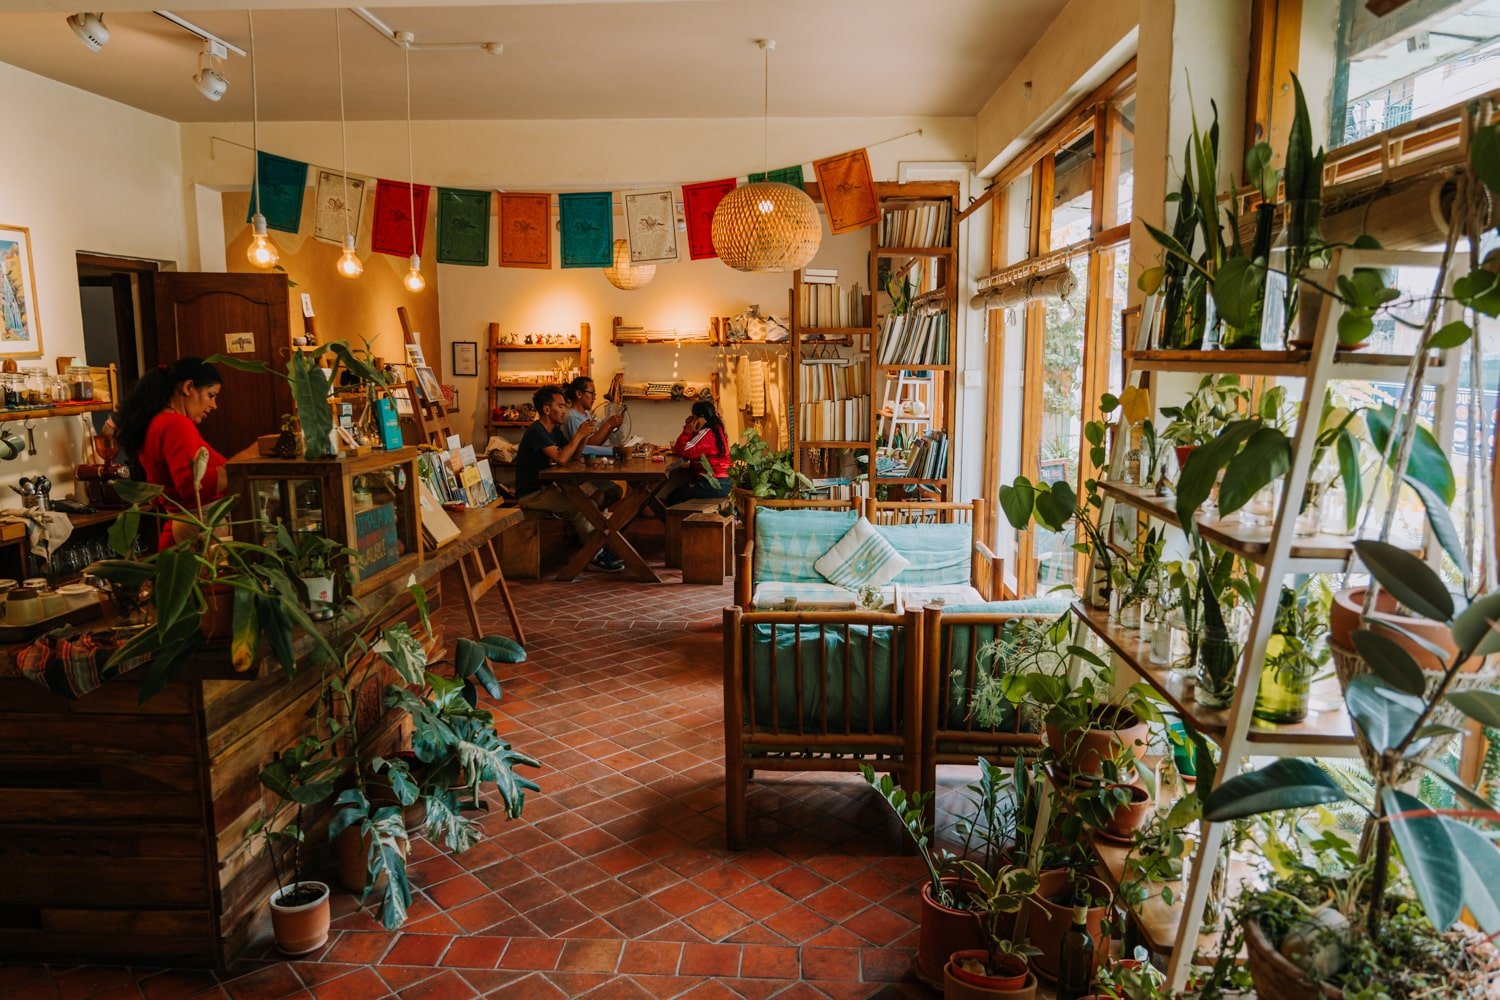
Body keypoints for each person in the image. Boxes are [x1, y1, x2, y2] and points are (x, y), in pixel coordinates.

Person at [117, 357, 227, 551]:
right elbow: (192, 487)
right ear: (188, 387)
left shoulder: (156, 422)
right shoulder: (177, 424)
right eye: (211, 395)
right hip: (194, 534)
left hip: (181, 532)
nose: (214, 405)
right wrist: (241, 466)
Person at [515, 384, 624, 572]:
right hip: (532, 495)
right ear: (546, 409)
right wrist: (579, 434)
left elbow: (573, 456)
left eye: (565, 406)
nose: (564, 410)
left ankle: (599, 548)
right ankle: (595, 556)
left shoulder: (554, 431)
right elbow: (561, 458)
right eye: (560, 406)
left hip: (548, 489)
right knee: (582, 507)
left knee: (591, 500)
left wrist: (583, 437)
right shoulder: (537, 431)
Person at [665, 400, 733, 506]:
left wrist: (687, 431)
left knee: (674, 498)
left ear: (701, 417)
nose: (692, 420)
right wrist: (690, 428)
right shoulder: (716, 430)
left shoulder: (706, 432)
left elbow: (685, 450)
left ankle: (680, 522)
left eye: (694, 417)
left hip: (712, 483)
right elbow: (694, 446)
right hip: (722, 483)